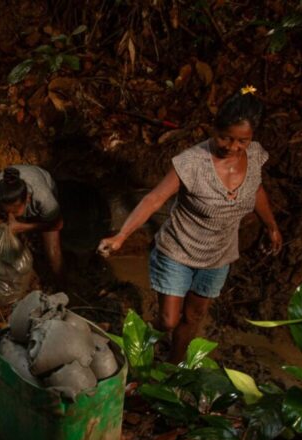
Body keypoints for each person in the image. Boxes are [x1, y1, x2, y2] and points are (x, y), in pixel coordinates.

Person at [97, 87, 283, 363]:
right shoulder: (193, 163)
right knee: (169, 320)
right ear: (213, 129)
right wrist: (121, 236)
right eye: (225, 137)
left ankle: (174, 368)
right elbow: (155, 198)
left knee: (193, 316)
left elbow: (256, 190)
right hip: (178, 251)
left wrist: (271, 226)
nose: (232, 147)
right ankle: (140, 350)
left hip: (218, 256)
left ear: (251, 137)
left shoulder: (254, 155)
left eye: (241, 141)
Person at [0, 165, 64, 281]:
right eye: (5, 212)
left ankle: (60, 285)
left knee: (52, 249)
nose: (10, 218)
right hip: (11, 205)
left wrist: (24, 227)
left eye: (14, 212)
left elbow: (58, 224)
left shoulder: (43, 197)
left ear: (28, 200)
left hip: (44, 182)